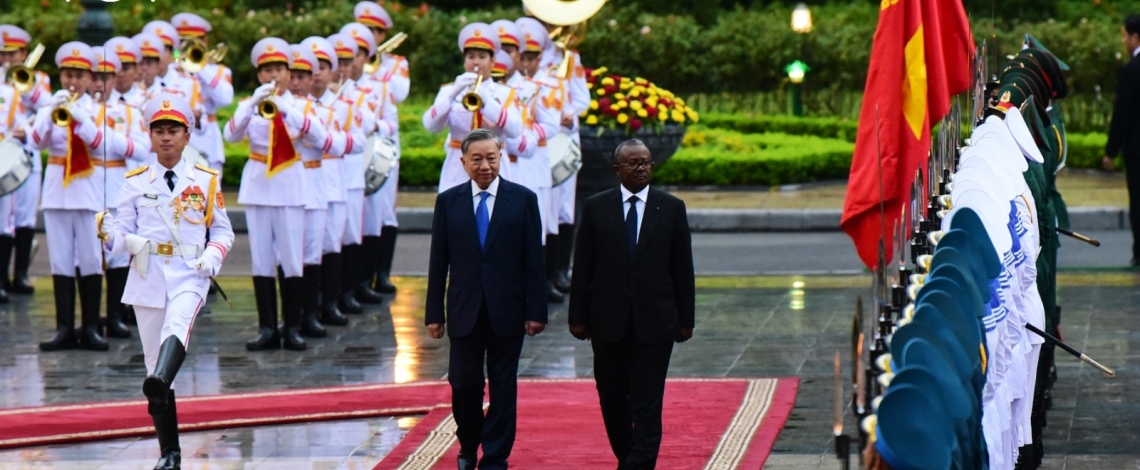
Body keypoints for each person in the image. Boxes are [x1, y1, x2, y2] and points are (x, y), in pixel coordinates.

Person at [100, 93, 234, 470]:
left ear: (187, 135)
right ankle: (169, 453)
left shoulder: (205, 180)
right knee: (152, 363)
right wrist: (113, 233)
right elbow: (120, 232)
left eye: (173, 130)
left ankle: (160, 378)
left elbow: (223, 232)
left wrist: (212, 257)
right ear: (150, 136)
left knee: (178, 326)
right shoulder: (135, 182)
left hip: (190, 272)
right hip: (148, 273)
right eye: (158, 130)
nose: (166, 137)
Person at [568, 139, 695, 470]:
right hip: (608, 323)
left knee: (647, 402)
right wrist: (577, 317)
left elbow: (683, 268)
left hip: (655, 322)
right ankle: (629, 458)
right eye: (633, 164)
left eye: (646, 163)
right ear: (617, 170)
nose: (641, 168)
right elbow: (583, 267)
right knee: (612, 399)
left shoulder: (670, 207)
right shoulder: (597, 207)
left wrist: (686, 319)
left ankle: (639, 464)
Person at [425, 129, 546, 470]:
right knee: (464, 384)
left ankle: (495, 457)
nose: (484, 166)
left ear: (502, 156)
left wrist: (536, 310)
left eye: (491, 158)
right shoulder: (448, 202)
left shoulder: (522, 199)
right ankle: (469, 442)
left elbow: (533, 261)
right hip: (465, 309)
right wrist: (434, 312)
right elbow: (438, 262)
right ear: (463, 163)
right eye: (476, 159)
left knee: (504, 386)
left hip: (507, 310)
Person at [225, 37, 327, 351]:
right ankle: (267, 327)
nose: (273, 75)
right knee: (262, 260)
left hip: (290, 187)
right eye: (266, 69)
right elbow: (230, 135)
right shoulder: (250, 104)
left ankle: (292, 327)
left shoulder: (303, 106)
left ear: (288, 72)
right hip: (258, 188)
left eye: (279, 69)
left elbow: (320, 137)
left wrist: (284, 107)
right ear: (258, 75)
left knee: (292, 260)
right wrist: (252, 105)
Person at [31, 42, 123, 351]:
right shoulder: (50, 107)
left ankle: (92, 327)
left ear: (88, 79)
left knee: (90, 260)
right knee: (60, 262)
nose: (74, 81)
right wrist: (48, 114)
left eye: (80, 76)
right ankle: (64, 328)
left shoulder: (99, 110)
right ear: (61, 76)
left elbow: (101, 144)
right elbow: (35, 141)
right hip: (58, 192)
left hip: (88, 192)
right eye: (69, 75)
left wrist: (80, 117)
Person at [91, 45, 153, 339]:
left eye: (105, 76)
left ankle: (115, 313)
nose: (98, 82)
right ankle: (88, 318)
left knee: (116, 253)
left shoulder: (127, 111)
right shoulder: (78, 107)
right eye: (94, 75)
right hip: (82, 185)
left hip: (115, 183)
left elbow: (141, 149)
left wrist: (103, 135)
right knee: (85, 255)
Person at [422, 22, 523, 193]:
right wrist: (453, 94)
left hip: (493, 166)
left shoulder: (505, 93)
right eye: (471, 57)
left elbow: (515, 129)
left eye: (482, 56)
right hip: (458, 166)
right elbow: (430, 125)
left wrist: (487, 103)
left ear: (493, 61)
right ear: (464, 61)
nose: (476, 62)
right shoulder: (449, 90)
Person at [0, 25, 50, 296]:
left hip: (26, 155)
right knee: (4, 219)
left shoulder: (36, 78)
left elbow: (47, 105)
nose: (7, 59)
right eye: (3, 53)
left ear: (24, 52)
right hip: (3, 154)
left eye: (13, 53)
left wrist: (25, 85)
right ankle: (3, 277)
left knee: (25, 216)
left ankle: (21, 275)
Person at [171, 12, 234, 176]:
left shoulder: (218, 71)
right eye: (182, 43)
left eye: (191, 42)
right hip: (174, 136)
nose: (185, 47)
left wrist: (200, 67)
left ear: (204, 42)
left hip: (207, 140)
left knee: (208, 196)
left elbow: (225, 100)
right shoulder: (171, 72)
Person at [1105, 14, 1140, 266]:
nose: (1123, 40)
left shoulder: (1130, 71)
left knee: (1138, 198)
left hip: (1137, 149)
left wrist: (1111, 151)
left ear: (1135, 37)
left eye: (1125, 35)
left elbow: (1122, 113)